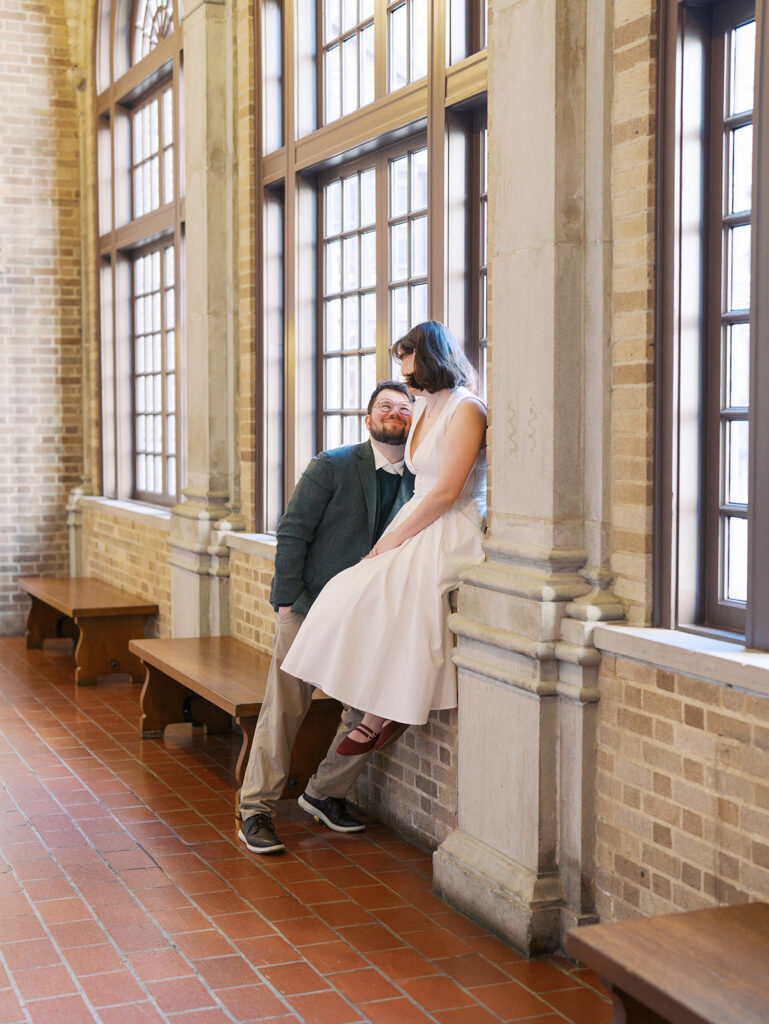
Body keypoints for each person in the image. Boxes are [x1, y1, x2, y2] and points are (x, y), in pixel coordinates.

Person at [282, 321, 486, 752]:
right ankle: (370, 700)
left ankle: (385, 712)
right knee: (347, 589)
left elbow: (448, 492)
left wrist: (393, 540)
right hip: (420, 515)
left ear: (430, 361)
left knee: (404, 589)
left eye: (410, 370)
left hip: (451, 521)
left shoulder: (467, 408)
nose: (407, 381)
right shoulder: (426, 407)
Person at [238, 381, 414, 854]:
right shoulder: (332, 465)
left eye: (404, 407)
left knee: (365, 710)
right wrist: (286, 599)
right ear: (368, 419)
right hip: (311, 607)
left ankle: (324, 792)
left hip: (372, 615)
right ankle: (255, 808)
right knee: (285, 708)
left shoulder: (423, 479)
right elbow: (293, 531)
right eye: (385, 406)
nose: (395, 413)